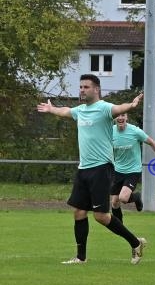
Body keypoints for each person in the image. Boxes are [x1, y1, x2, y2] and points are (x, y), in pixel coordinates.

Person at [36, 74, 147, 265]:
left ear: (96, 89)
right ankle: (81, 258)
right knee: (79, 212)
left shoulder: (104, 108)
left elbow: (118, 108)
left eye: (86, 87)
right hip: (84, 169)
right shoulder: (80, 111)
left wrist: (131, 105)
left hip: (101, 168)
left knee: (101, 216)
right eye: (80, 87)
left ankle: (136, 242)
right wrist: (51, 108)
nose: (82, 90)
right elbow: (65, 111)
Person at [111, 113, 155, 222]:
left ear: (127, 117)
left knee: (123, 198)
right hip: (118, 170)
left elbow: (151, 142)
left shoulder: (135, 131)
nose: (120, 118)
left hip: (133, 171)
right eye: (118, 115)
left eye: (123, 115)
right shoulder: (110, 131)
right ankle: (120, 228)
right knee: (114, 202)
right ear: (114, 118)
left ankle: (136, 197)